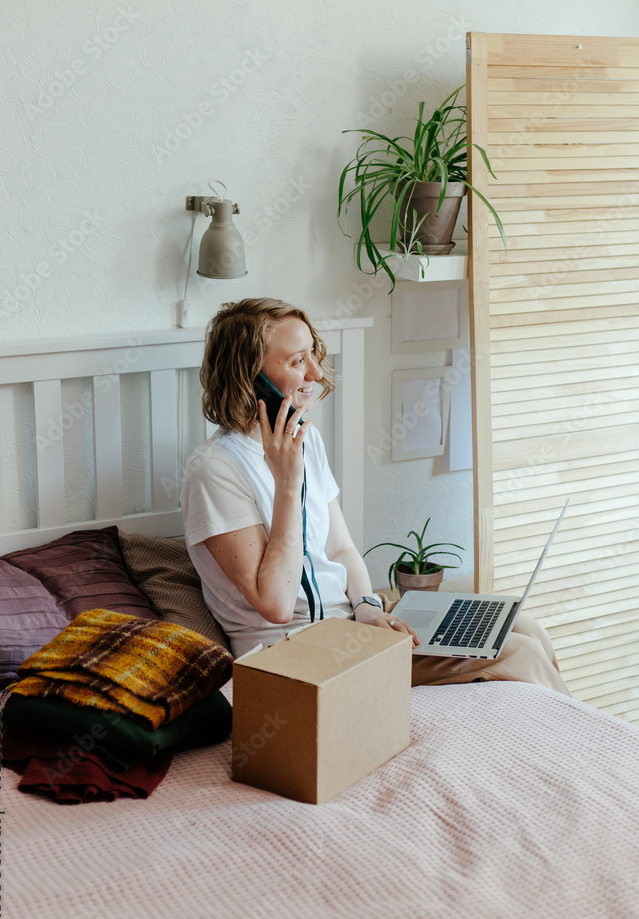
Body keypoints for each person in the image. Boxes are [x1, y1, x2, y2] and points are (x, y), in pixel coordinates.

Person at [181, 297, 570, 696]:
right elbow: (277, 605)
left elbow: (342, 547)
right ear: (250, 378)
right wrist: (287, 482)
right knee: (517, 652)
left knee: (524, 627)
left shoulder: (305, 438)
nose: (316, 372)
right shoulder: (214, 470)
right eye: (298, 361)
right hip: (292, 655)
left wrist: (367, 607)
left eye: (313, 355)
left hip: (350, 625)